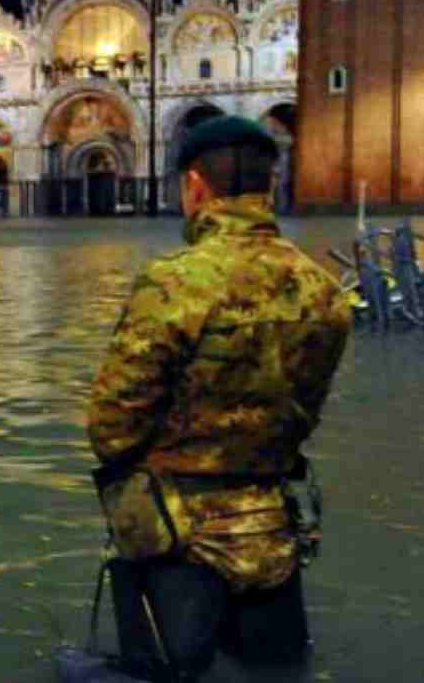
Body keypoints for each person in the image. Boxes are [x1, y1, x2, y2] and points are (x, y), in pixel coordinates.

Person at [85, 117, 352, 681]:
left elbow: (111, 427)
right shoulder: (322, 288)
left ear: (195, 186)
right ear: (271, 187)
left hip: (177, 537)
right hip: (272, 530)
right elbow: (304, 412)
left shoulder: (175, 281)